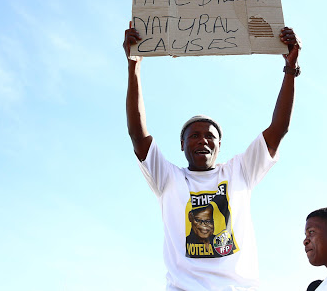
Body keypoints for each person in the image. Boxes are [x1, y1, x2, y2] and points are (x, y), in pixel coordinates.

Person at [124, 21, 301, 290]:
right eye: (194, 135)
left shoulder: (239, 171)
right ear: (182, 145)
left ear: (220, 145)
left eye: (210, 136)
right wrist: (133, 65)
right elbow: (138, 134)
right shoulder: (168, 178)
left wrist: (290, 69)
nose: (202, 140)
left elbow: (279, 129)